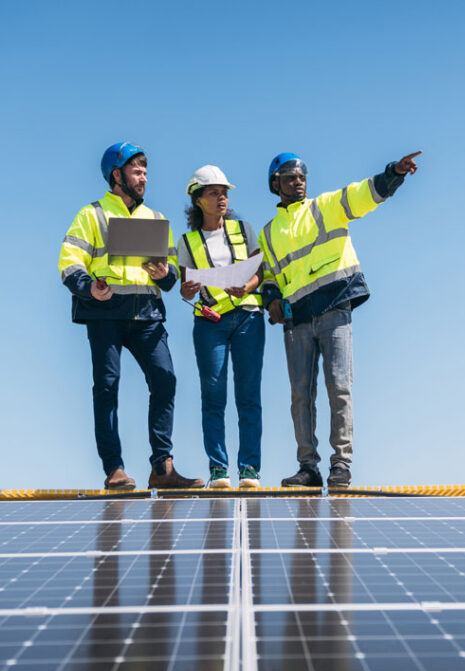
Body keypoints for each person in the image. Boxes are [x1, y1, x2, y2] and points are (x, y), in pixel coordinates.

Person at [259, 150, 421, 488]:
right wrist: (271, 298)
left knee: (339, 387)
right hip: (297, 319)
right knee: (301, 395)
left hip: (334, 306)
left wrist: (394, 173)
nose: (298, 180)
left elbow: (364, 193)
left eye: (302, 175)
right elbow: (269, 277)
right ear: (276, 184)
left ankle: (341, 465)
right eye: (290, 176)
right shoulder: (268, 233)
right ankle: (308, 467)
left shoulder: (326, 206)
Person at [57, 142, 204, 491]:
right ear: (116, 174)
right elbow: (69, 262)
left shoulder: (155, 219)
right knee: (107, 387)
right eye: (137, 171)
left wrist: (162, 274)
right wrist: (89, 287)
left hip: (147, 314)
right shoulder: (91, 215)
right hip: (104, 312)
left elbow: (169, 278)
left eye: (145, 171)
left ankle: (162, 467)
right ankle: (115, 469)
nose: (144, 178)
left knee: (165, 378)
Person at [178, 165, 265, 489]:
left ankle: (250, 471)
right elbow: (185, 286)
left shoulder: (245, 230)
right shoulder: (186, 242)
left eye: (224, 192)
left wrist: (249, 286)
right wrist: (186, 289)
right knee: (213, 396)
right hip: (209, 322)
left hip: (248, 318)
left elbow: (261, 272)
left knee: (248, 395)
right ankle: (219, 470)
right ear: (198, 199)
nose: (222, 198)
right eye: (214, 192)